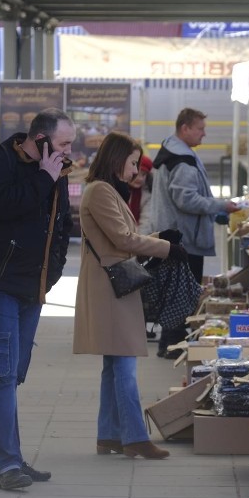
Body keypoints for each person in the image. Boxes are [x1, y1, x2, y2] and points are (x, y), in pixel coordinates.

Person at [0, 107, 75, 490]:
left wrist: (53, 274)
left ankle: (9, 457)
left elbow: (60, 226)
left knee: (11, 376)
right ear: (40, 139)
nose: (68, 151)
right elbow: (5, 206)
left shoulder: (55, 172)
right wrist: (45, 177)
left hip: (31, 289)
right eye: (62, 144)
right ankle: (5, 464)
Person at [73, 131, 188, 460]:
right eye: (133, 162)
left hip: (112, 285)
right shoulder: (101, 192)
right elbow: (123, 239)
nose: (136, 170)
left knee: (114, 365)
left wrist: (158, 238)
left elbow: (123, 238)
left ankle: (108, 434)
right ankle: (134, 437)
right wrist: (166, 248)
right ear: (116, 159)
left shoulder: (104, 190)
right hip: (111, 287)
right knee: (124, 365)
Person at [149, 108, 238, 359]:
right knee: (183, 293)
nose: (204, 134)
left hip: (173, 234)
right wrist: (221, 205)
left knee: (175, 291)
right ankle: (172, 346)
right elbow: (185, 199)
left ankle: (170, 344)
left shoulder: (174, 153)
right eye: (200, 128)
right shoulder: (183, 160)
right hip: (184, 237)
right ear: (184, 128)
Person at [128, 154, 154, 235]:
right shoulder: (116, 190)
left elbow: (146, 221)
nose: (140, 178)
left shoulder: (148, 193)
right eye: (137, 174)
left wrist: (138, 240)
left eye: (144, 174)